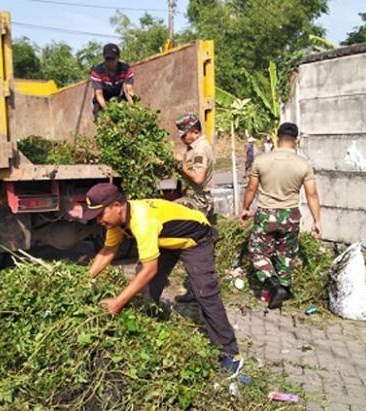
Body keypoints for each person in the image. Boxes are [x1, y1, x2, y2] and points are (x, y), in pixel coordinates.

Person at [84, 183, 244, 375]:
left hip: (195, 239)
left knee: (205, 293)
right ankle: (151, 331)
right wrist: (84, 279)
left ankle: (230, 354)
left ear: (117, 205)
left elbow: (149, 269)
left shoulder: (142, 221)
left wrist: (117, 302)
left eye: (101, 214)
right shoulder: (117, 221)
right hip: (166, 240)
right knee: (147, 289)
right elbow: (108, 250)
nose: (99, 220)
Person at [241, 122, 322, 310]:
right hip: (290, 215)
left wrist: (246, 208)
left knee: (258, 250)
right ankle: (285, 288)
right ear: (296, 140)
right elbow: (312, 194)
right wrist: (317, 220)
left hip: (266, 214)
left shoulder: (261, 161)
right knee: (286, 253)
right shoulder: (304, 164)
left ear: (278, 138)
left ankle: (273, 284)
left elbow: (251, 187)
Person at [172, 113, 215, 304]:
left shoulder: (200, 150)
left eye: (184, 134)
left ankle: (199, 292)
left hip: (198, 202)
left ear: (195, 132)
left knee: (194, 247)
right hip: (196, 200)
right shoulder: (195, 148)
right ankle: (196, 290)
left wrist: (181, 168)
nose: (182, 138)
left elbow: (198, 178)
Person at [90, 43, 134, 118]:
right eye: (107, 59)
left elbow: (129, 90)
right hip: (103, 99)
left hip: (118, 97)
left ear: (118, 58)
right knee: (100, 117)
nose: (110, 62)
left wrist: (133, 107)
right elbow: (99, 95)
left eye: (113, 59)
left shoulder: (126, 69)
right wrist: (109, 112)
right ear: (104, 58)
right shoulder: (97, 72)